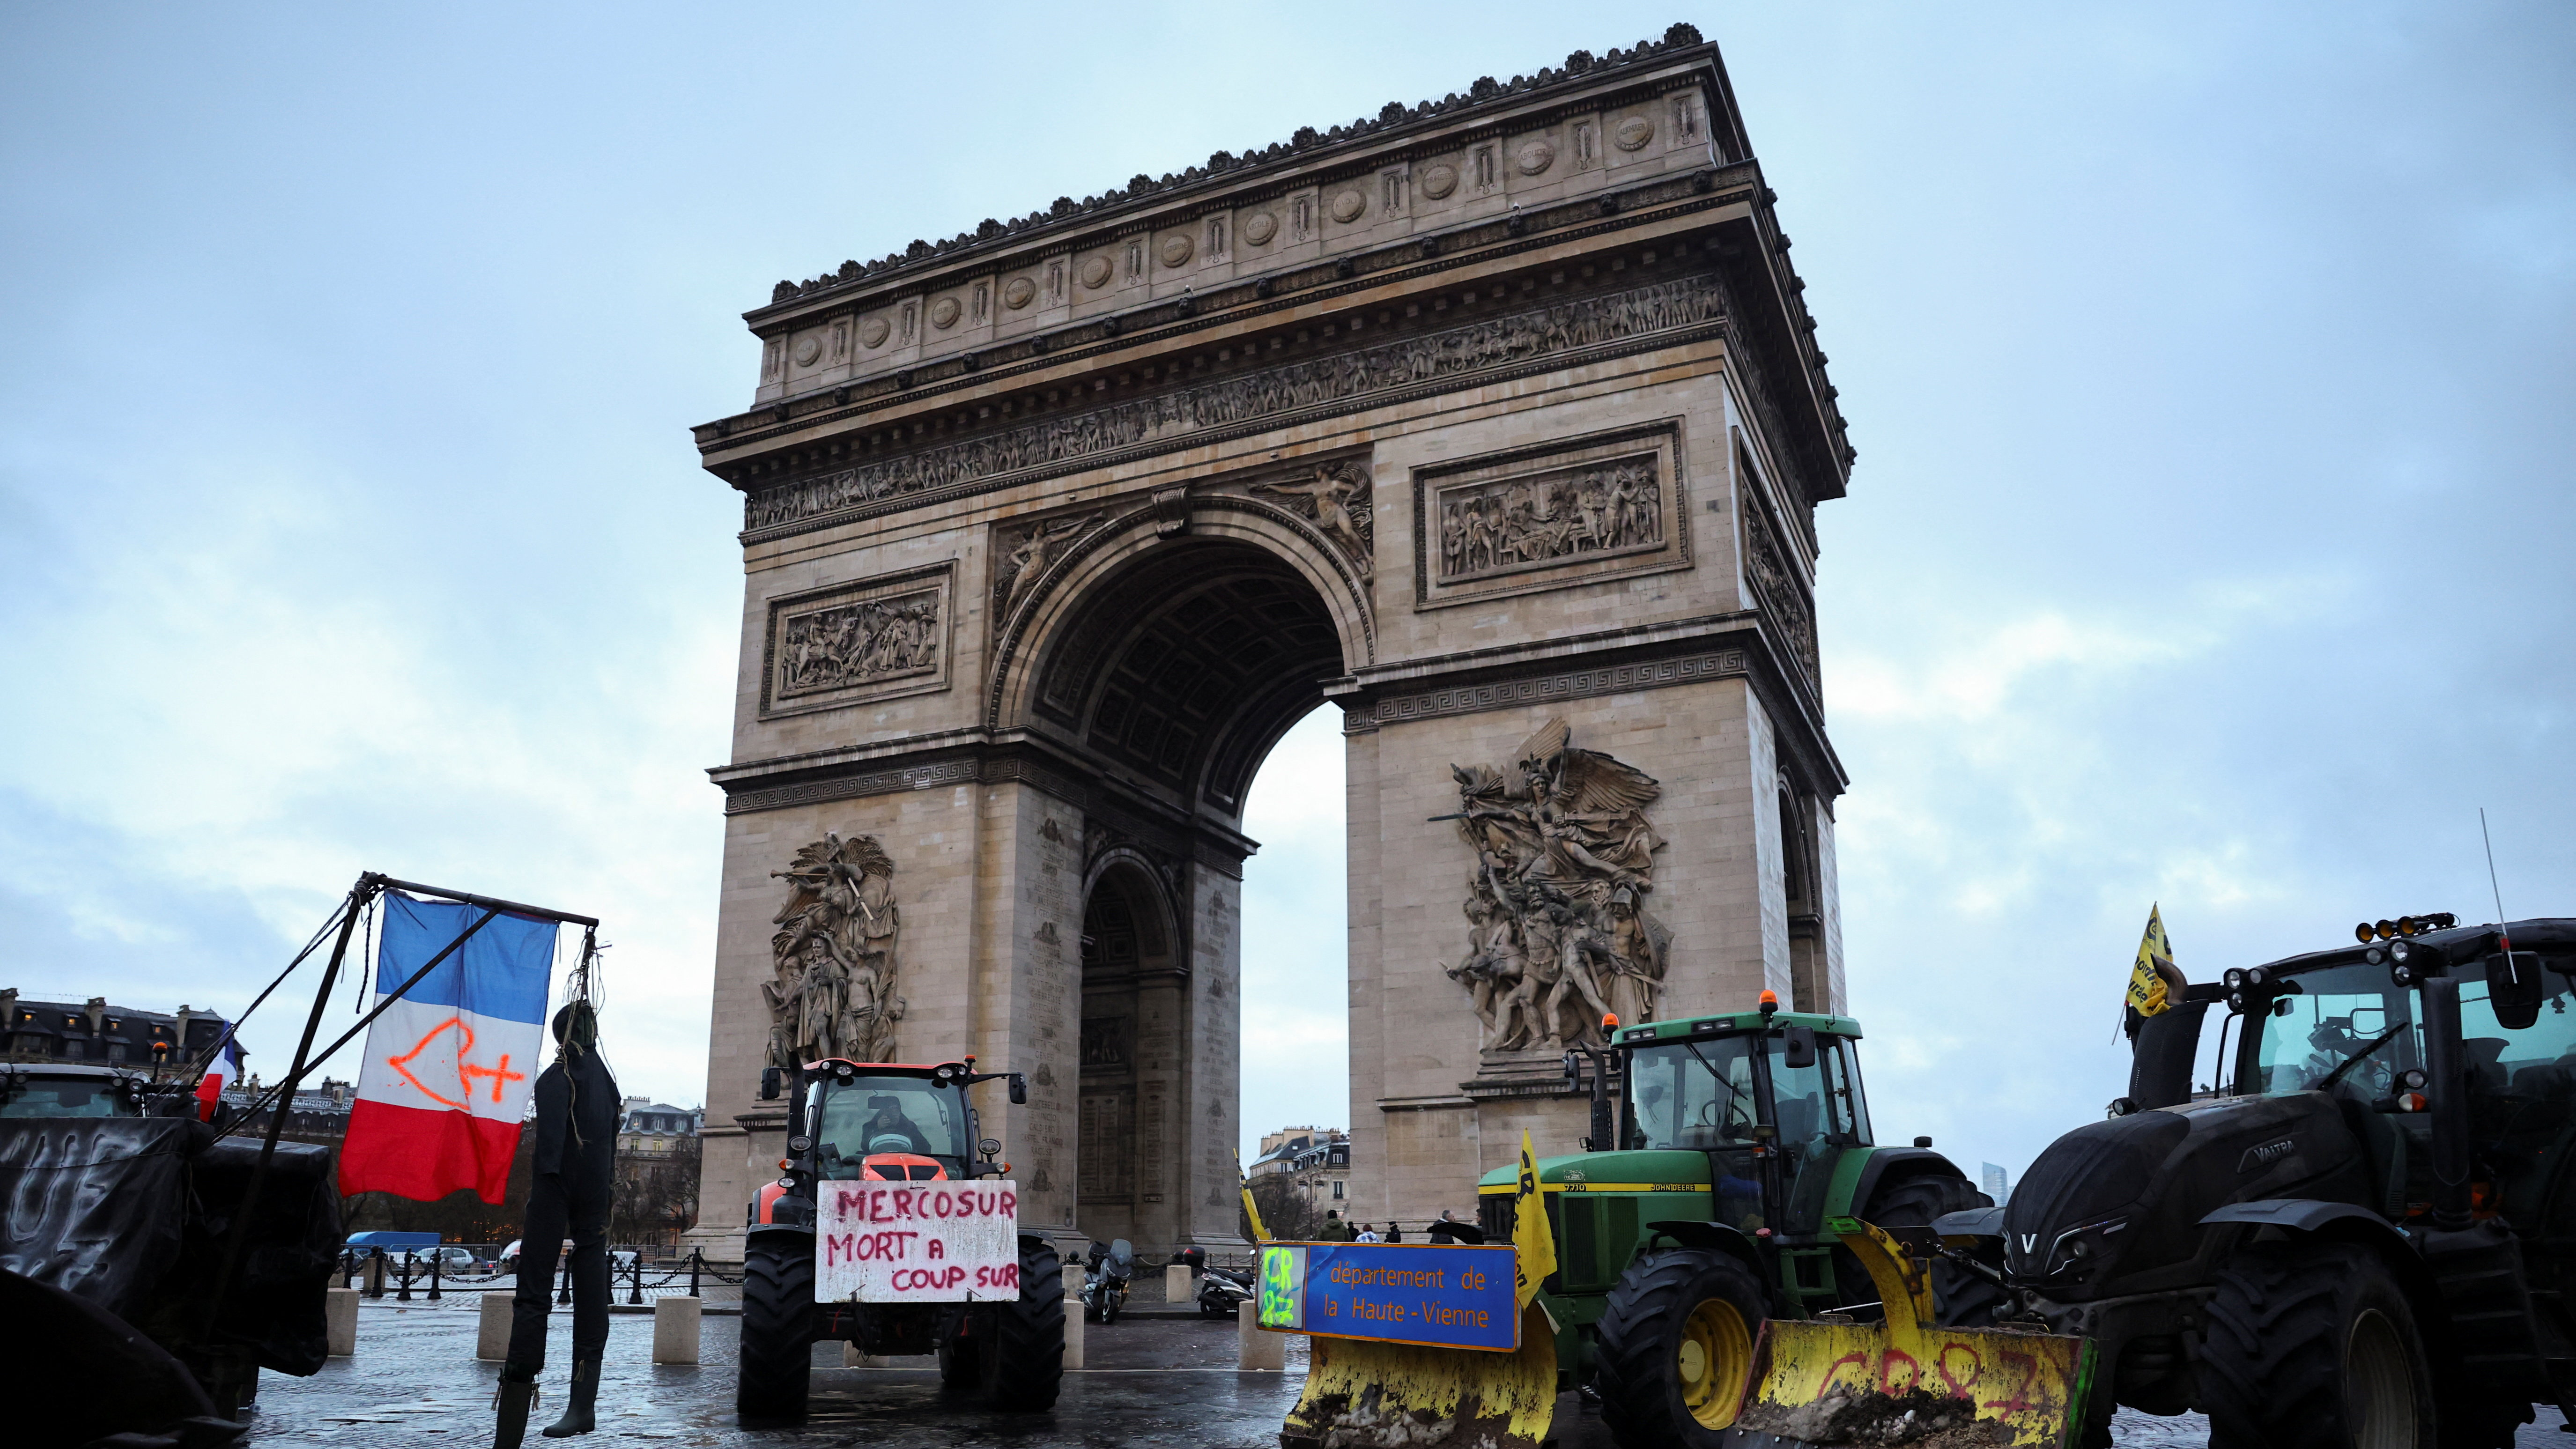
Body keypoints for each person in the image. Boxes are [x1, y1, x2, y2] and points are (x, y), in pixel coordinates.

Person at [495, 1001, 618, 1446]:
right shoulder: (608, 1082)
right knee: (590, 1296)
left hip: (557, 1185)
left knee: (534, 1294)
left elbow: (548, 1143)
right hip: (596, 1195)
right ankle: (582, 1406)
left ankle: (510, 1426)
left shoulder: (557, 1077)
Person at [857, 1094, 934, 1156]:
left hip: (907, 1163)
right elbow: (865, 1147)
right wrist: (877, 1128)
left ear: (900, 1113)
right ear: (882, 1113)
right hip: (874, 1165)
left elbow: (926, 1148)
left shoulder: (910, 1127)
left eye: (896, 1111)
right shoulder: (869, 1127)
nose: (893, 1115)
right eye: (889, 1111)